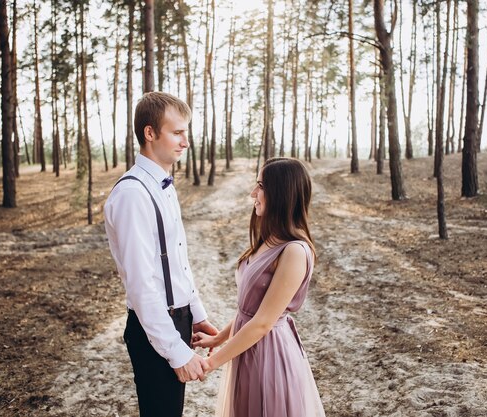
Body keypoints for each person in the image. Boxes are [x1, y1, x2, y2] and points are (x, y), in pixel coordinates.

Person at [104, 92, 218, 417]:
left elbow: (176, 261)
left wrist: (195, 313)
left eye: (186, 132)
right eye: (177, 132)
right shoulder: (132, 194)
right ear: (150, 133)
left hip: (176, 318)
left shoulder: (163, 185)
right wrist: (176, 351)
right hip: (153, 325)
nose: (186, 142)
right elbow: (141, 286)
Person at [193, 157, 326, 417]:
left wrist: (210, 363)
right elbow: (250, 310)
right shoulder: (268, 241)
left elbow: (263, 322)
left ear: (281, 193)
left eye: (260, 186)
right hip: (248, 350)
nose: (253, 193)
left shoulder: (294, 251)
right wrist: (218, 338)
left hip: (269, 357)